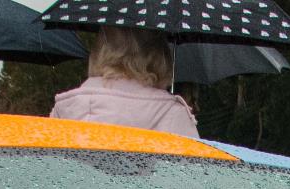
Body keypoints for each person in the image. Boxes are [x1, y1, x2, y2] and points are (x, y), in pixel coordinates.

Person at [49, 27, 199, 139]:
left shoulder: (64, 111)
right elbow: (192, 172)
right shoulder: (173, 114)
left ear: (99, 51)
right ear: (160, 55)